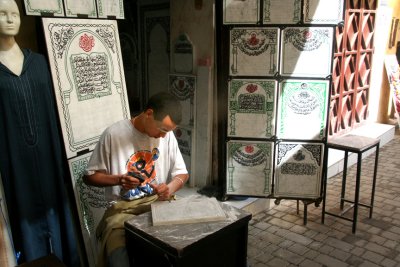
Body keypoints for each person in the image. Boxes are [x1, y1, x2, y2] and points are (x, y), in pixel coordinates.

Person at [0, 0, 80, 266]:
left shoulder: (38, 63)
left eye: (14, 14)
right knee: (23, 216)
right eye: (2, 14)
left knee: (56, 211)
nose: (10, 19)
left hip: (48, 152)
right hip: (12, 158)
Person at [84, 92, 189, 267]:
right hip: (122, 212)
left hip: (158, 206)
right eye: (162, 129)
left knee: (181, 251)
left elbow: (182, 174)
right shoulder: (114, 134)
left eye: (167, 132)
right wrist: (118, 180)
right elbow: (89, 177)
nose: (163, 136)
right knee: (119, 260)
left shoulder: (167, 136)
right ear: (149, 114)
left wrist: (169, 189)